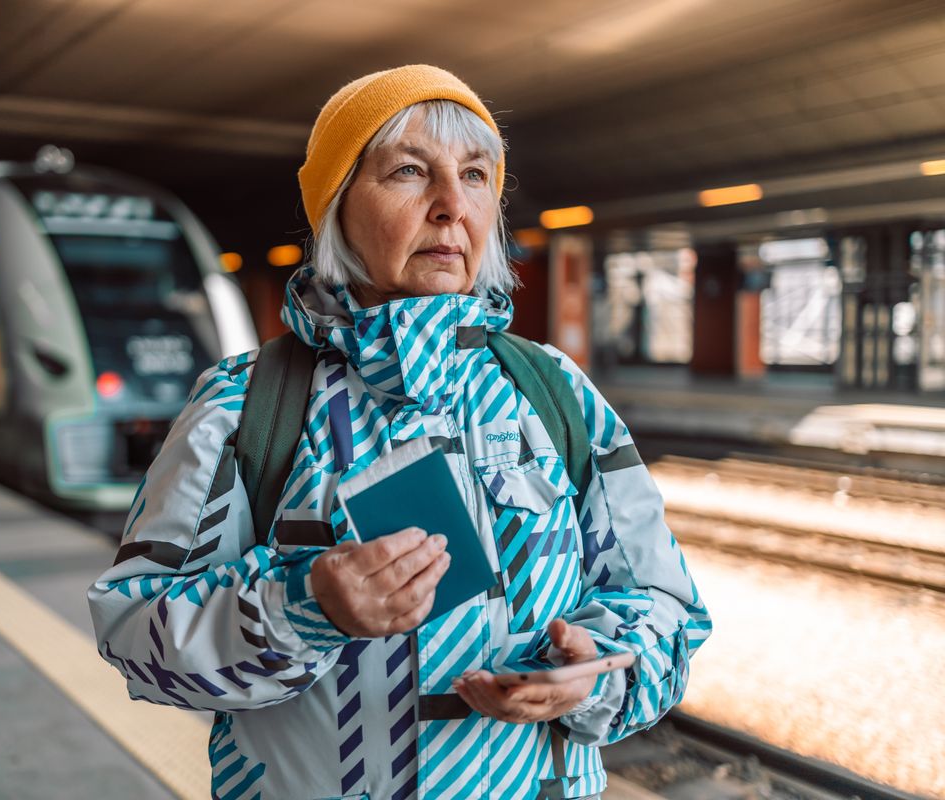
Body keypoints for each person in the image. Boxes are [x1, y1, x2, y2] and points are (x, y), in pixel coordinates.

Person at [89, 64, 712, 800]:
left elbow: (668, 609)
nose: (452, 206)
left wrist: (599, 672)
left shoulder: (553, 391)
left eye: (476, 176)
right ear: (337, 207)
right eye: (411, 171)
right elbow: (134, 629)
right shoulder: (244, 404)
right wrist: (304, 608)